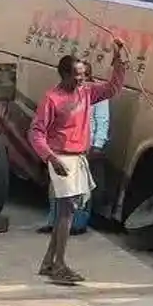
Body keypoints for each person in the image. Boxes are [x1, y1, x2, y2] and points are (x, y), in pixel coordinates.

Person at [29, 40, 126, 285]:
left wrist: (118, 61)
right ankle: (59, 265)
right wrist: (51, 158)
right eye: (77, 75)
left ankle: (49, 262)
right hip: (61, 157)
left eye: (83, 75)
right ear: (64, 75)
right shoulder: (52, 99)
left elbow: (113, 88)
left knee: (68, 211)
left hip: (78, 158)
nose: (82, 79)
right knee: (66, 212)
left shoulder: (86, 92)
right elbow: (36, 133)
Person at [38, 98, 109, 236]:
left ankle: (78, 224)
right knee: (56, 184)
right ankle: (54, 222)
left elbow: (102, 120)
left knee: (79, 188)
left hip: (83, 146)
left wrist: (97, 146)